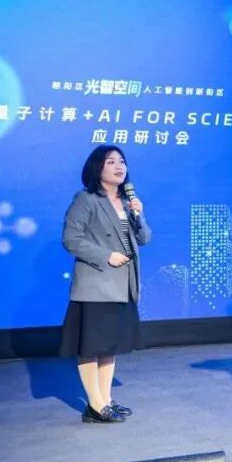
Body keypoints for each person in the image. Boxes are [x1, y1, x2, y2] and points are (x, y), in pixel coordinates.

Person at [59, 145, 151, 423]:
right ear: (97, 167)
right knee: (91, 346)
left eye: (121, 161)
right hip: (96, 284)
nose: (119, 166)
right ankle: (95, 404)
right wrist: (106, 256)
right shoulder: (86, 199)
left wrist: (138, 214)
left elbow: (144, 238)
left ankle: (106, 400)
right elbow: (71, 239)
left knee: (109, 345)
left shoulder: (127, 202)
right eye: (111, 162)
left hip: (123, 284)